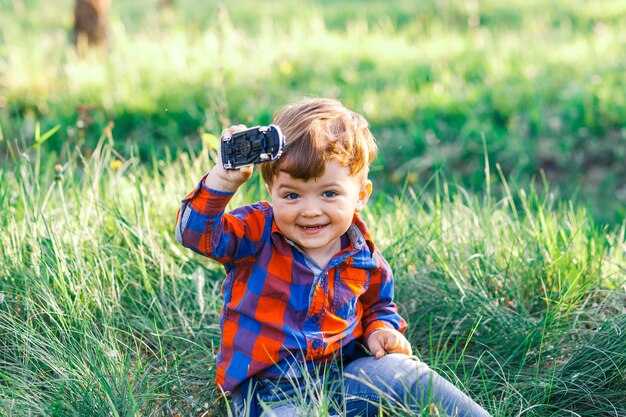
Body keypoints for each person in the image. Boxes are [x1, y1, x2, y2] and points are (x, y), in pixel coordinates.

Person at [175, 98, 492, 417]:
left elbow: (378, 304)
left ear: (361, 196)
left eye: (329, 193)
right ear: (271, 190)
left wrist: (381, 329)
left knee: (407, 375)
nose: (310, 210)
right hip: (271, 393)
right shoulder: (257, 231)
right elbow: (194, 234)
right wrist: (222, 180)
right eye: (292, 195)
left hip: (343, 377)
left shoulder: (361, 252)